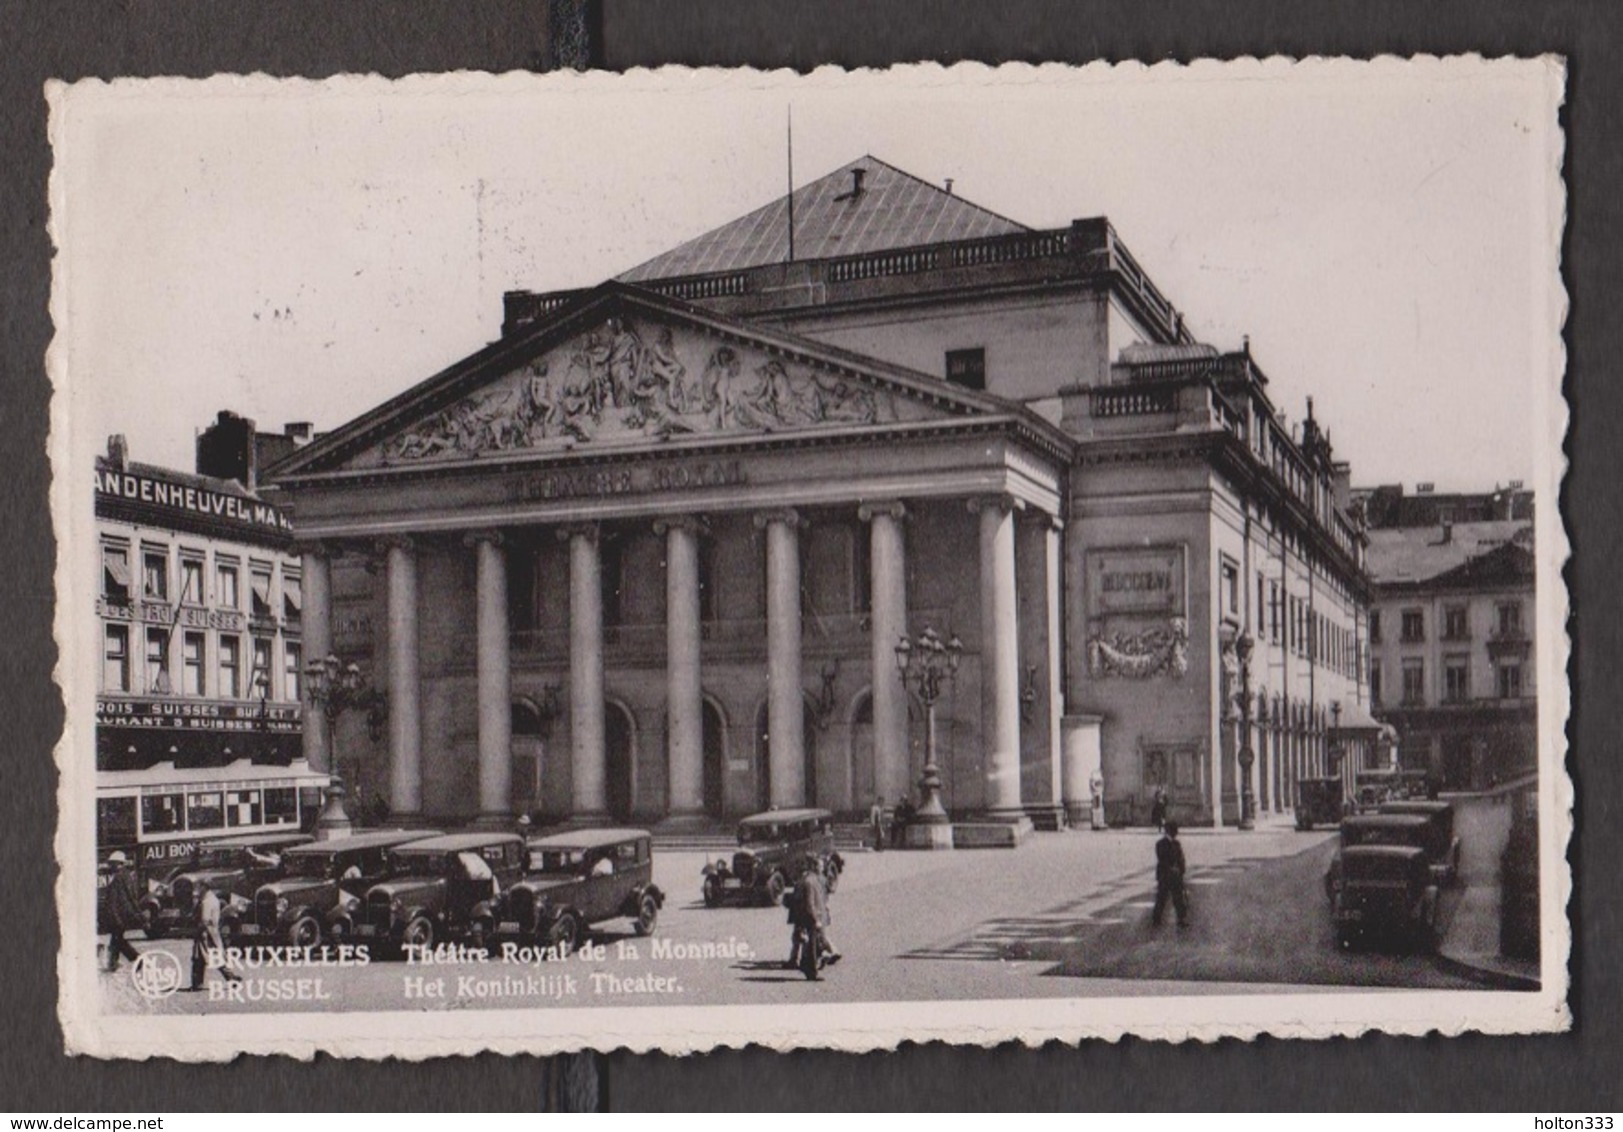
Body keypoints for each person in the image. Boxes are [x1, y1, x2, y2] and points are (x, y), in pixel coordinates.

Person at [785, 860, 841, 979]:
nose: (821, 869)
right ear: (813, 867)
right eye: (818, 866)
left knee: (813, 945)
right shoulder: (809, 882)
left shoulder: (815, 880)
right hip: (812, 919)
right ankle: (811, 971)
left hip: (816, 916)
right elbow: (809, 904)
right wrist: (815, 919)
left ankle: (809, 966)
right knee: (812, 946)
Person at [187, 880, 242, 990]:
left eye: (199, 886)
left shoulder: (206, 902)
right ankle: (199, 984)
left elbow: (204, 920)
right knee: (209, 958)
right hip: (212, 932)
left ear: (204, 887)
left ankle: (230, 978)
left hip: (204, 934)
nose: (197, 889)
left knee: (199, 959)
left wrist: (196, 931)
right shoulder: (213, 899)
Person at [100, 851, 143, 973]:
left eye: (112, 864)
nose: (110, 866)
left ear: (118, 864)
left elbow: (115, 899)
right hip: (122, 914)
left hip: (118, 915)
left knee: (118, 939)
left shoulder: (119, 877)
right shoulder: (126, 875)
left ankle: (137, 958)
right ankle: (113, 963)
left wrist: (115, 916)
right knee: (116, 939)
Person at [1152, 820, 1189, 929]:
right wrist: (1171, 868)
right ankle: (1156, 918)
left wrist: (1181, 870)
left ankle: (1181, 919)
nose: (1176, 833)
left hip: (1176, 876)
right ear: (1169, 831)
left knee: (1178, 898)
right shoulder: (1160, 844)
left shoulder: (1177, 844)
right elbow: (1162, 859)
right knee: (1161, 897)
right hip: (1165, 875)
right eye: (1174, 831)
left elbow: (1181, 859)